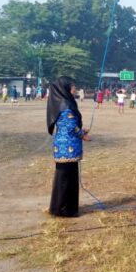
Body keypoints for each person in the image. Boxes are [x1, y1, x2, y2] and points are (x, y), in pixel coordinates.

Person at [47, 76, 91, 217]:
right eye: (73, 87)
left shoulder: (62, 102)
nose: (75, 89)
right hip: (68, 147)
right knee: (66, 179)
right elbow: (70, 126)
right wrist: (82, 135)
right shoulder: (65, 104)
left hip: (64, 145)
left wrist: (81, 131)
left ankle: (61, 207)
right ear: (65, 88)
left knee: (65, 177)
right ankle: (64, 209)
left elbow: (68, 126)